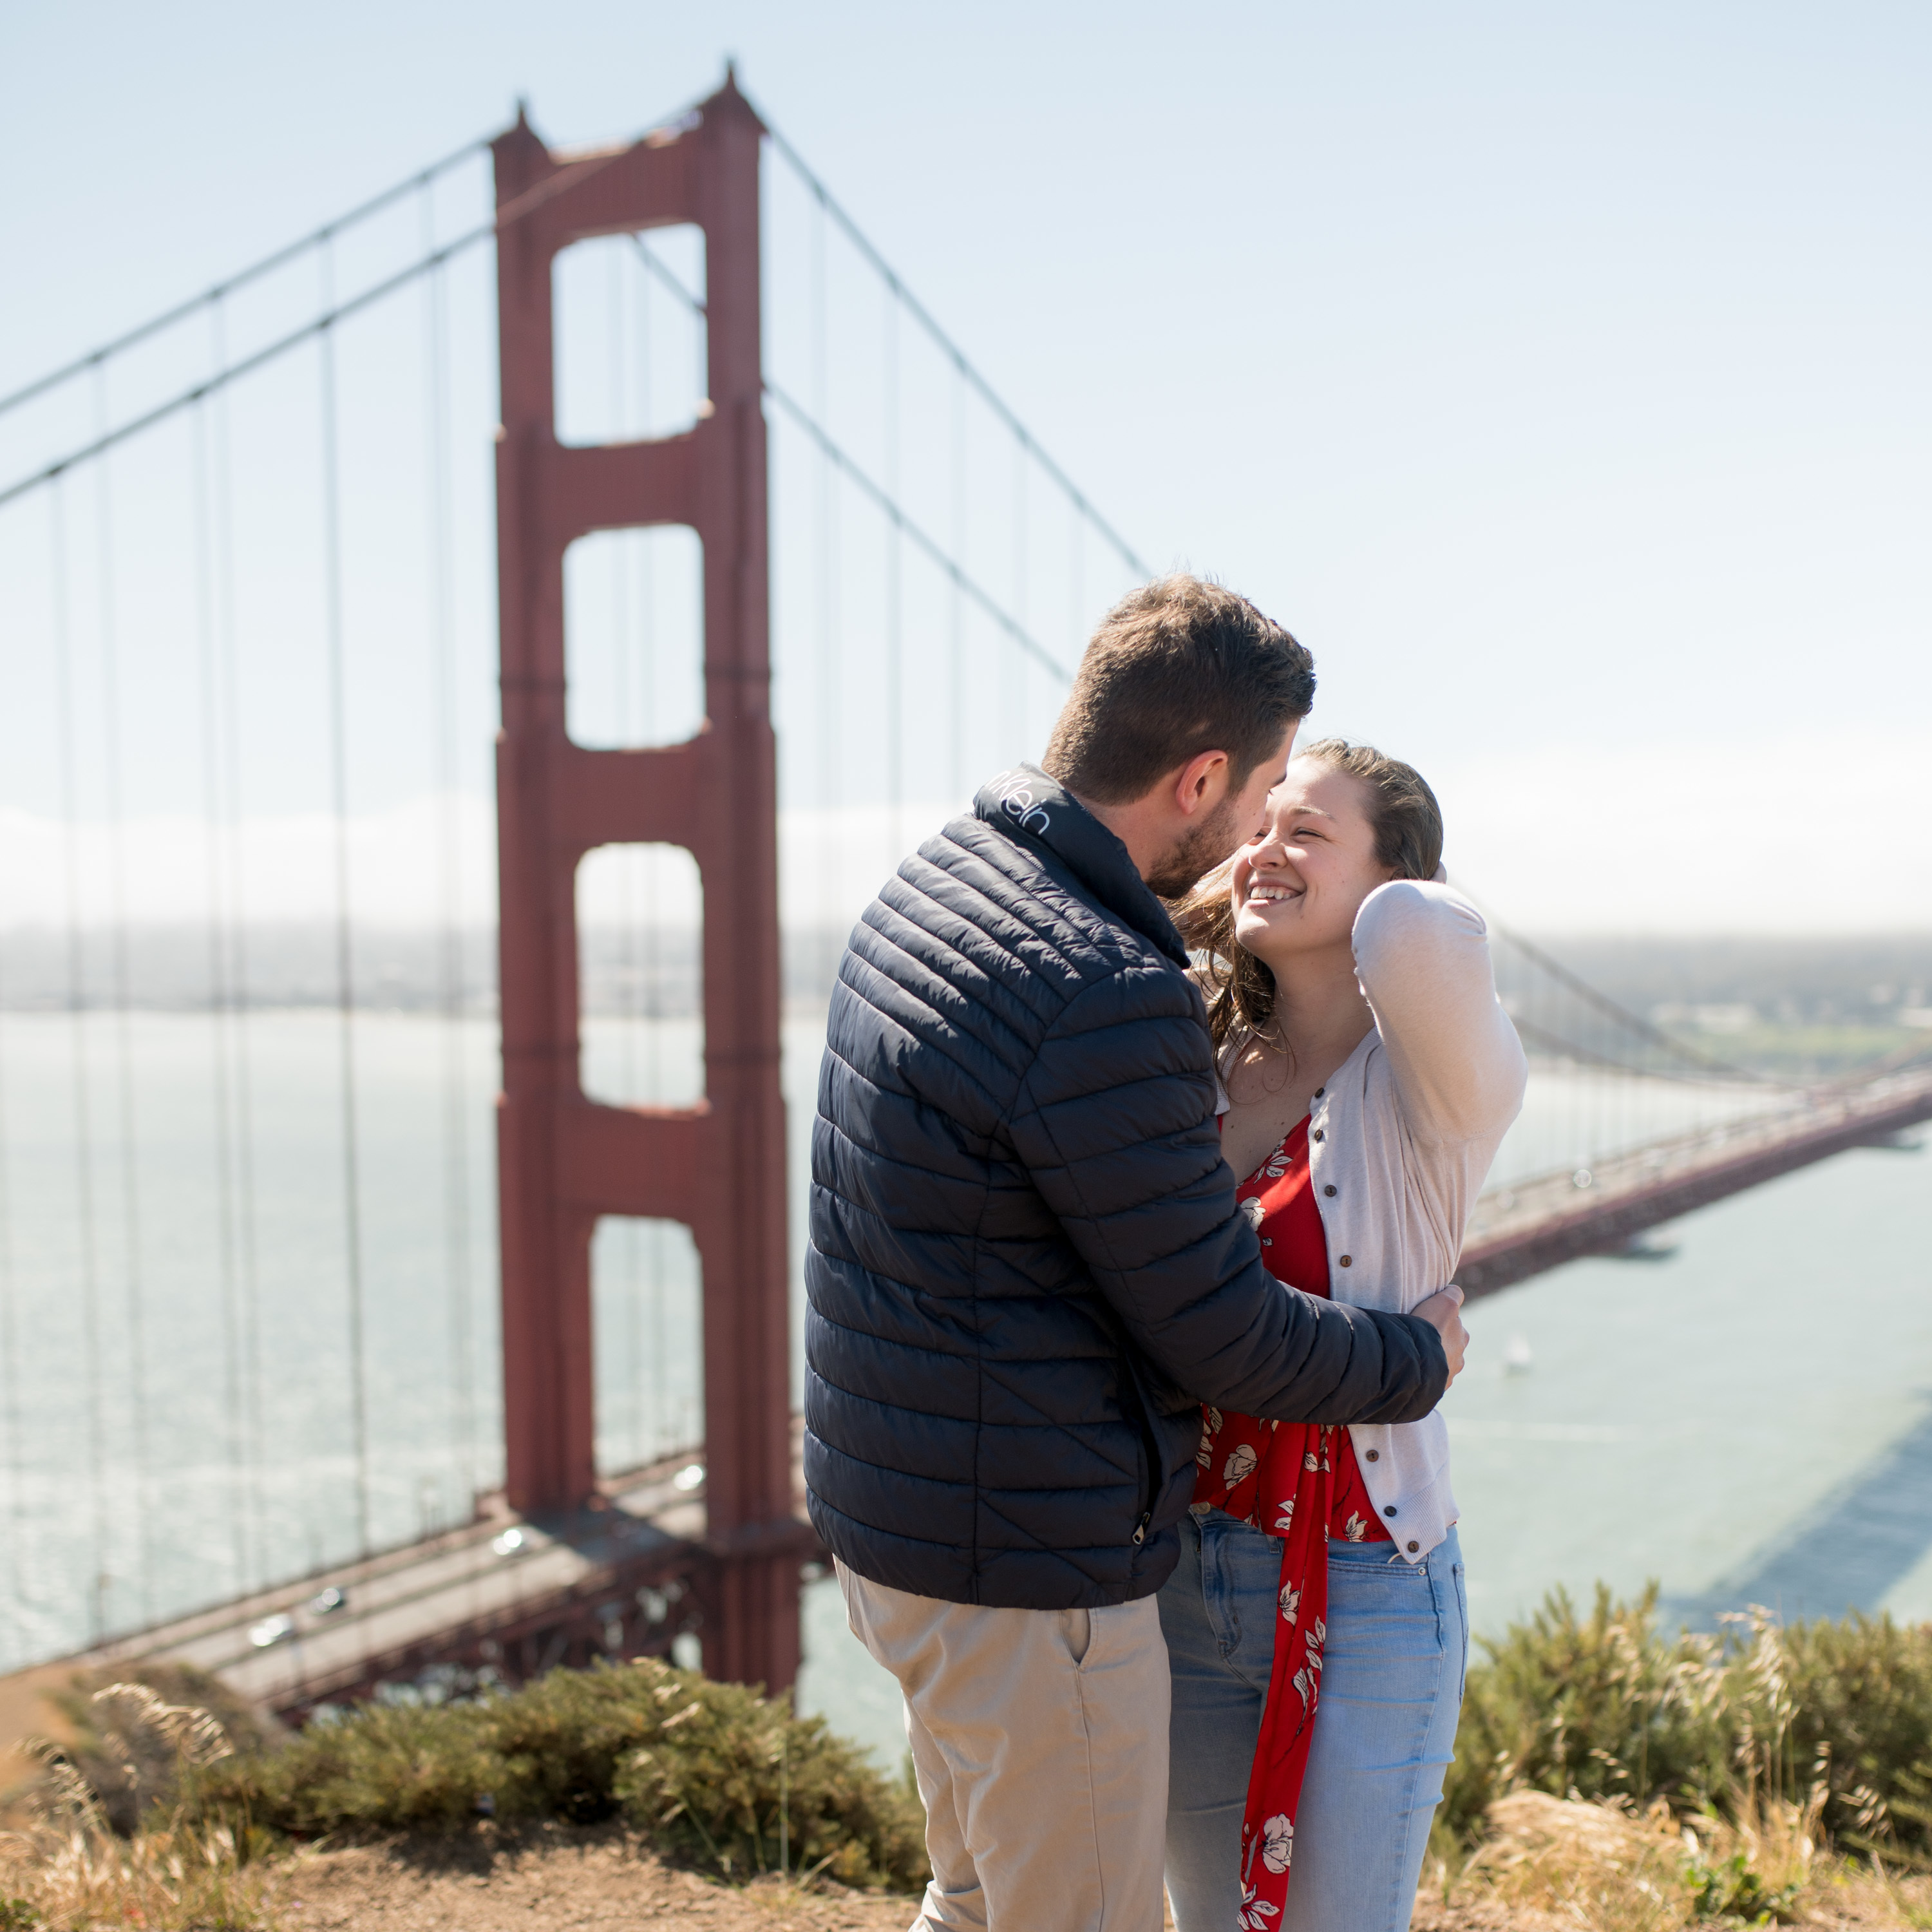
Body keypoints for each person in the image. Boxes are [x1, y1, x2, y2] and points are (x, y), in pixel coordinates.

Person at [802, 576, 1472, 1932]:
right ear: (1202, 775)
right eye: (1264, 797)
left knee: (978, 1899)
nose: (1258, 843)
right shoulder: (1107, 989)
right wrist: (1415, 1356)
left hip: (898, 1533)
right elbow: (1217, 1328)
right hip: (1029, 1573)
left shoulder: (944, 882)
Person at [1160, 740, 1528, 1932]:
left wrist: (1294, 876)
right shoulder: (1192, 1051)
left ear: (1388, 880)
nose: (1264, 848)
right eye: (1255, 826)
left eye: (1306, 831)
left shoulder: (1436, 1091)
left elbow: (1421, 936)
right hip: (1181, 1568)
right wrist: (1251, 872)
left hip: (1367, 1579)